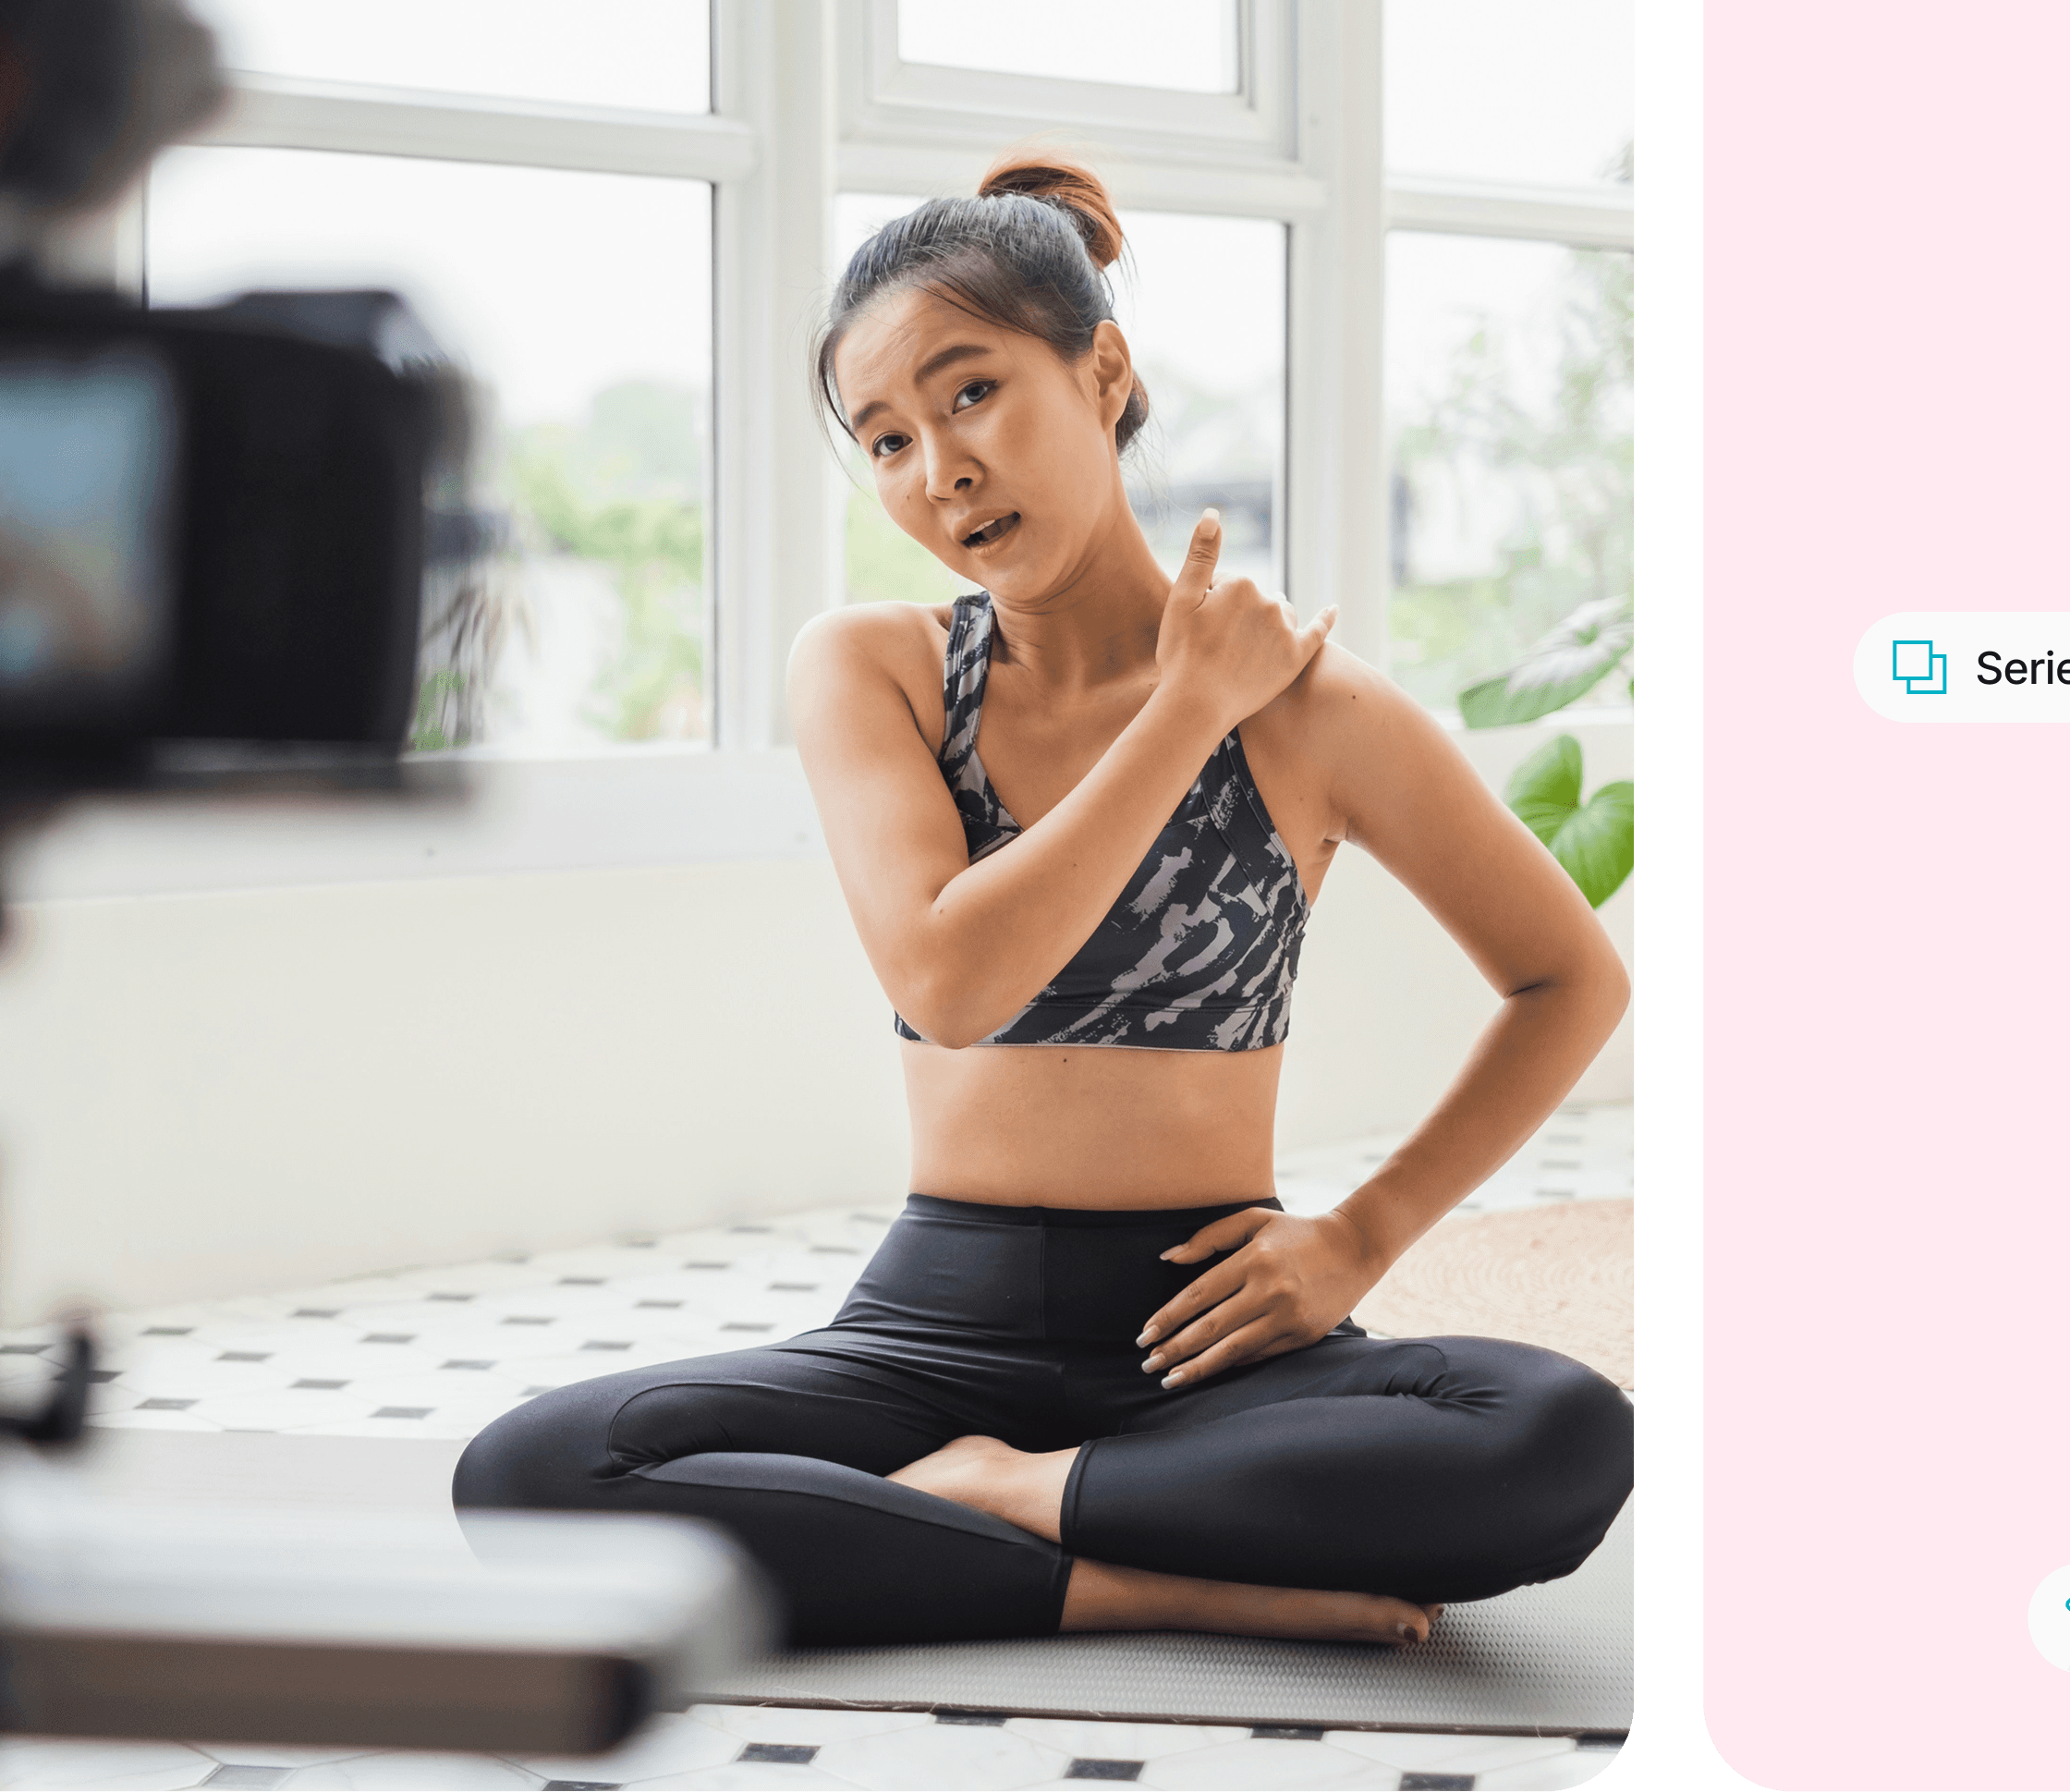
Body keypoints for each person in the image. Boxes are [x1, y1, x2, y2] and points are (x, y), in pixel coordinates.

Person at [452, 157, 1638, 1648]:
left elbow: (1569, 979)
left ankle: (1006, 1501)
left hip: (1209, 1332)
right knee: (535, 1472)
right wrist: (1183, 711)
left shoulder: (1318, 709)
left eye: (968, 396)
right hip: (927, 1330)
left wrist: (1355, 1240)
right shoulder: (871, 666)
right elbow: (953, 986)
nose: (933, 469)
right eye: (882, 437)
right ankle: (1127, 1570)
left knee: (1558, 1434)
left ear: (1103, 370)